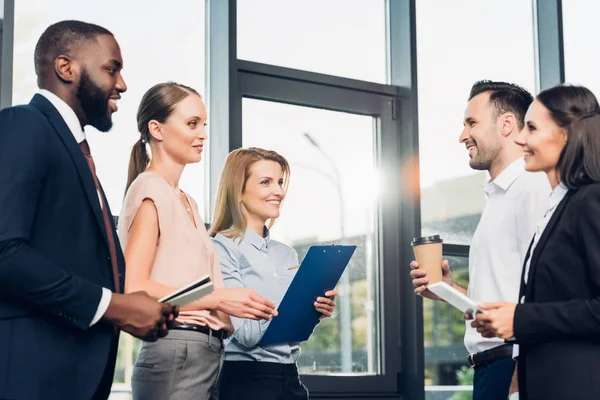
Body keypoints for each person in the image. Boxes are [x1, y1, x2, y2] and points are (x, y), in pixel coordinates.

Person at [0, 21, 177, 400]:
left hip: (76, 376)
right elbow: (4, 252)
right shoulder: (23, 125)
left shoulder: (76, 150)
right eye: (112, 69)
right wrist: (114, 306)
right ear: (67, 68)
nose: (123, 84)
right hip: (33, 375)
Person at [119, 83, 279, 400]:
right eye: (192, 124)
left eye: (203, 124)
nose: (203, 134)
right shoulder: (150, 189)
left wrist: (231, 297)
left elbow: (193, 287)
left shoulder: (188, 203)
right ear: (157, 129)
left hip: (204, 351)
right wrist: (218, 298)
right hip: (177, 349)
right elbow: (135, 288)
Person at [409, 81, 550, 400]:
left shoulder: (532, 188)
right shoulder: (498, 197)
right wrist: (451, 291)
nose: (462, 136)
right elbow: (505, 295)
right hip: (490, 369)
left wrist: (520, 377)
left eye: (472, 123)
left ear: (507, 124)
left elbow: (545, 292)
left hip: (512, 367)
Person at [474, 85, 600, 400]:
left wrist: (519, 318)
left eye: (531, 128)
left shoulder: (590, 200)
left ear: (567, 134)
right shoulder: (556, 207)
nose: (521, 139)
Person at [209, 147, 338, 400]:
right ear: (238, 189)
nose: (278, 191)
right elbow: (246, 333)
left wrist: (315, 310)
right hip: (246, 380)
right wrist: (293, 304)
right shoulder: (221, 247)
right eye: (266, 182)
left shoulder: (287, 254)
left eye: (279, 182)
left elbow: (293, 333)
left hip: (290, 378)